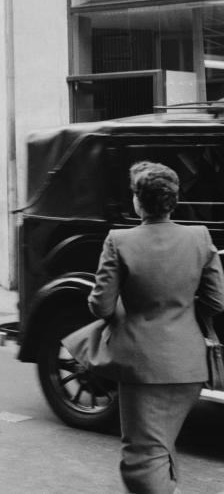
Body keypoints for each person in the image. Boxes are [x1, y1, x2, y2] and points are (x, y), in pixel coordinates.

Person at [85, 161, 224, 493]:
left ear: (138, 200)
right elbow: (216, 300)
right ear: (172, 199)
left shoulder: (119, 241)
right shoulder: (199, 236)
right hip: (190, 366)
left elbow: (100, 304)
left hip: (144, 366)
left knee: (141, 459)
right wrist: (179, 312)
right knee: (160, 445)